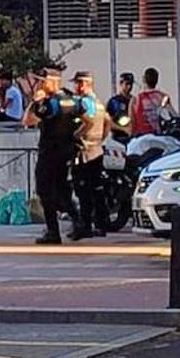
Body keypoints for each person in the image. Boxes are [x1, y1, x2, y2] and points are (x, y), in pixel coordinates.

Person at [24, 68, 83, 244]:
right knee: (62, 189)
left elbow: (27, 121)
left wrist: (33, 103)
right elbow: (86, 119)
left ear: (51, 82)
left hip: (49, 152)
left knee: (44, 190)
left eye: (42, 81)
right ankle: (77, 220)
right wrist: (74, 137)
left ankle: (53, 231)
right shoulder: (70, 99)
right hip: (66, 151)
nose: (40, 84)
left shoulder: (49, 103)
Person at [70, 71, 110, 239]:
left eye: (78, 83)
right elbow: (108, 122)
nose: (75, 87)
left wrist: (76, 135)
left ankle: (85, 225)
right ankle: (101, 224)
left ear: (84, 84)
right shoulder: (99, 102)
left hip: (85, 152)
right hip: (97, 150)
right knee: (97, 189)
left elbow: (90, 122)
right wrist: (100, 139)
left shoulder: (85, 102)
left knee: (83, 190)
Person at [130, 67, 174, 136]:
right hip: (158, 135)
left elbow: (132, 122)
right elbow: (173, 115)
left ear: (144, 79)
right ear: (157, 80)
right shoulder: (163, 96)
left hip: (142, 136)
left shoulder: (135, 99)